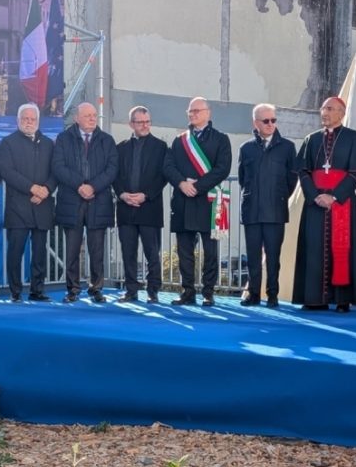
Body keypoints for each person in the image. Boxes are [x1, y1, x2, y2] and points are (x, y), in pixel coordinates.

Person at [292, 96, 356, 312]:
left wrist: (334, 196)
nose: (324, 113)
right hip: (315, 201)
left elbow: (355, 173)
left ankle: (342, 299)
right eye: (323, 109)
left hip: (342, 202)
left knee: (343, 248)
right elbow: (303, 170)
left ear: (341, 113)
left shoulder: (355, 138)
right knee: (313, 248)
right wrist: (315, 195)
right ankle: (314, 298)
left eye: (330, 109)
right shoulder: (311, 139)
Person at [164, 97, 232, 306]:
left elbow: (223, 168)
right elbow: (168, 166)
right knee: (184, 250)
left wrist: (198, 186)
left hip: (209, 202)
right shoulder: (179, 140)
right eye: (190, 111)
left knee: (211, 251)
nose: (193, 114)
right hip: (184, 201)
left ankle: (209, 291)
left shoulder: (221, 139)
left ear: (208, 113)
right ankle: (188, 291)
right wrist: (183, 184)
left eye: (197, 111)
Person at [52, 102, 118, 303]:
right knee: (72, 249)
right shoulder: (64, 139)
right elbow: (58, 166)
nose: (92, 118)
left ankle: (96, 288)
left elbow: (112, 168)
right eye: (87, 115)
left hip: (98, 201)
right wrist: (80, 185)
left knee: (97, 249)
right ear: (76, 118)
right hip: (71, 200)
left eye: (94, 115)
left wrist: (93, 187)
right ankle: (72, 289)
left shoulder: (107, 140)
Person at [238, 103, 296, 308]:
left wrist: (278, 196)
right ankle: (253, 294)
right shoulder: (246, 148)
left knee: (273, 257)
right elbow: (243, 178)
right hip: (252, 209)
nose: (271, 124)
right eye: (266, 121)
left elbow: (292, 179)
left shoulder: (287, 147)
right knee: (253, 256)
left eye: (273, 120)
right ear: (256, 123)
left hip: (275, 210)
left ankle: (272, 295)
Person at [0, 103, 56, 302]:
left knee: (39, 252)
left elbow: (55, 171)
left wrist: (46, 190)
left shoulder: (49, 144)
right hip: (18, 207)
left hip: (42, 205)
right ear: (18, 121)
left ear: (38, 121)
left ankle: (37, 290)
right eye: (25, 119)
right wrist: (33, 188)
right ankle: (15, 292)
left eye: (32, 119)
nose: (29, 122)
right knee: (16, 251)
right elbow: (7, 171)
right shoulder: (8, 143)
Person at [113, 106, 169, 303]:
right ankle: (131, 290)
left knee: (152, 252)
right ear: (131, 124)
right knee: (128, 252)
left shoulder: (161, 147)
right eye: (140, 122)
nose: (145, 125)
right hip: (125, 208)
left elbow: (163, 176)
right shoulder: (121, 148)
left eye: (147, 121)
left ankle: (153, 291)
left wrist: (146, 195)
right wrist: (122, 194)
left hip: (150, 208)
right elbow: (115, 175)